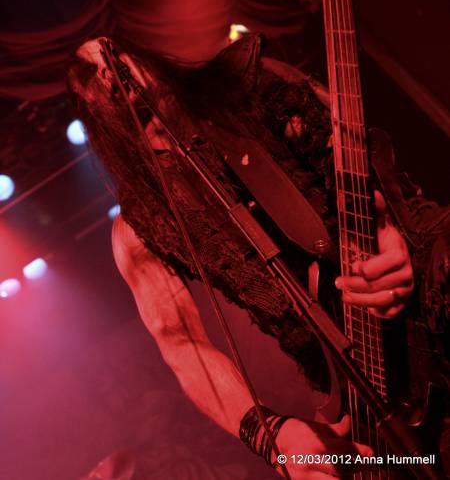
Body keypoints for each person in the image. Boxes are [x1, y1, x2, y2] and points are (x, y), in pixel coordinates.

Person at [67, 34, 448, 478]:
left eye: (113, 55)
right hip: (360, 390)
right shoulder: (139, 224)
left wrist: (394, 234)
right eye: (91, 76)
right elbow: (181, 344)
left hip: (426, 282)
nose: (109, 73)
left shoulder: (252, 82)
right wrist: (275, 436)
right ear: (94, 117)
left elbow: (370, 164)